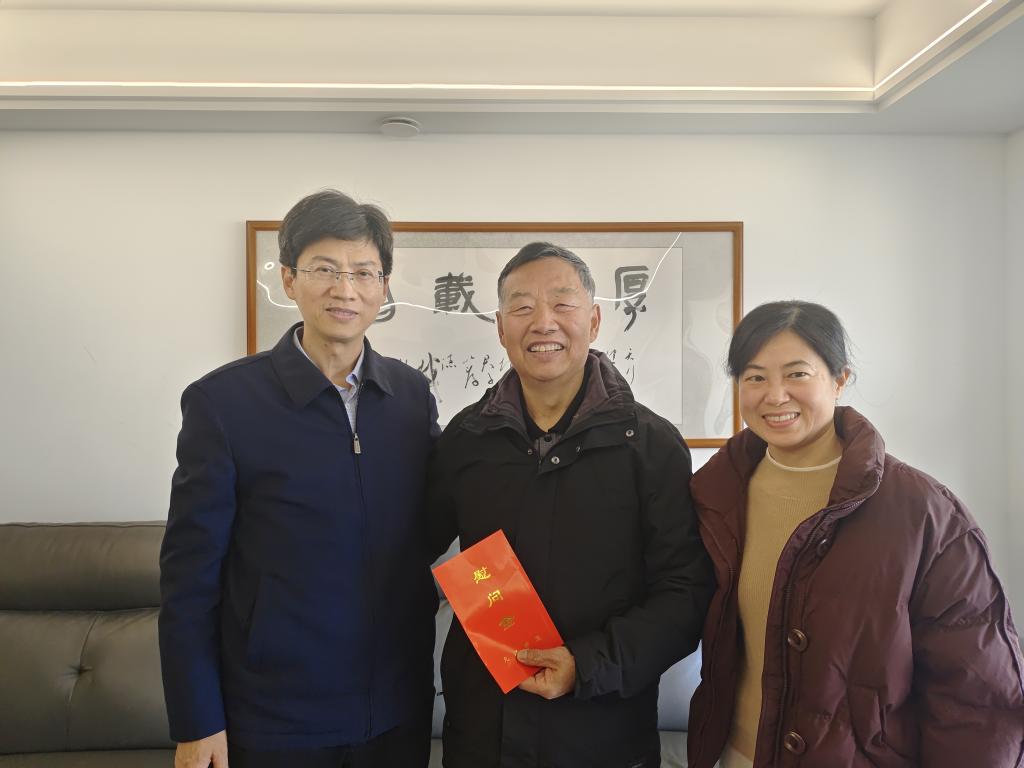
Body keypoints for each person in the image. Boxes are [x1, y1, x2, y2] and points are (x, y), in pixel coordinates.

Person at [159, 190, 440, 768]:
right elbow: (189, 578)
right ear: (289, 279)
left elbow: (440, 519)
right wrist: (198, 720)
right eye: (324, 270)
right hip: (275, 718)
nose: (346, 289)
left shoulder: (411, 398)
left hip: (397, 709)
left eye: (363, 272)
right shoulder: (224, 404)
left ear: (383, 287)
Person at [687, 300, 1024, 768]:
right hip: (733, 756)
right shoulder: (714, 494)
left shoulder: (923, 511)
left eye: (797, 374)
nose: (775, 395)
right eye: (755, 377)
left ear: (839, 379)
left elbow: (975, 695)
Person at [429, 242, 715, 768]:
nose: (543, 322)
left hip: (603, 734)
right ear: (500, 327)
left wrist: (586, 665)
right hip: (483, 734)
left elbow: (685, 593)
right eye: (522, 307)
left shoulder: (650, 446)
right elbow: (409, 552)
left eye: (562, 304)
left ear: (595, 320)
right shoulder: (466, 439)